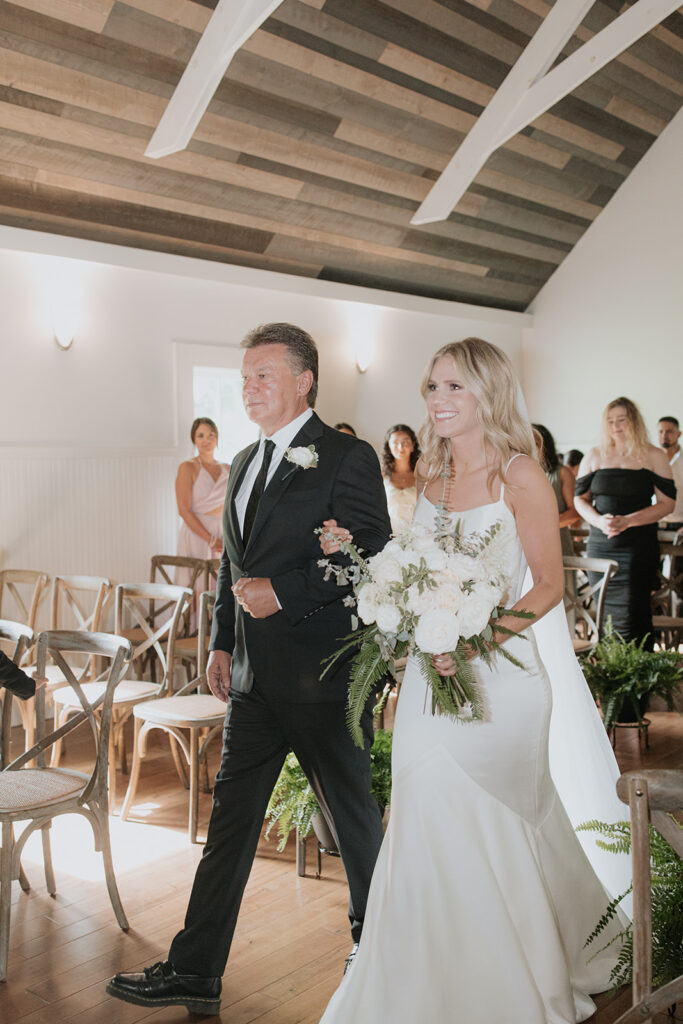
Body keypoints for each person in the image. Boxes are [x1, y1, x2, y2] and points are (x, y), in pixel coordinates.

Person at [318, 338, 628, 1024]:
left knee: (493, 815)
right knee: (424, 810)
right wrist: (398, 626)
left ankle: (520, 970)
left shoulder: (520, 475)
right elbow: (411, 577)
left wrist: (477, 640)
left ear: (486, 394)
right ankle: (425, 972)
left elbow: (547, 585)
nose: (438, 399)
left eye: (453, 386)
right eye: (431, 387)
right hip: (430, 680)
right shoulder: (429, 482)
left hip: (506, 680)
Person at [107, 323, 391, 1015]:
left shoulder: (346, 456)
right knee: (229, 823)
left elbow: (373, 551)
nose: (249, 388)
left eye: (264, 375)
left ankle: (381, 947)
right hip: (253, 683)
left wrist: (288, 593)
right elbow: (235, 565)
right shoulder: (241, 461)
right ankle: (195, 967)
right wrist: (220, 642)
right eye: (244, 377)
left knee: (354, 824)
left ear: (304, 381)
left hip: (322, 679)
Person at [574, 398, 675, 647]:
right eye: (610, 421)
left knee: (632, 611)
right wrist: (598, 520)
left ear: (634, 421)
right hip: (601, 544)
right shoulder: (595, 455)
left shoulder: (653, 455)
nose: (615, 426)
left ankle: (637, 677)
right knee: (604, 612)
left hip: (637, 546)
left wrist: (629, 521)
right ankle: (609, 677)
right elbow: (580, 499)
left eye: (621, 419)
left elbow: (667, 503)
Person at [175, 417, 230, 563]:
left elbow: (234, 506)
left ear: (217, 438)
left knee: (220, 581)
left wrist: (228, 538)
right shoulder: (187, 467)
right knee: (197, 582)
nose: (206, 440)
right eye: (200, 435)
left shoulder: (228, 469)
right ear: (194, 439)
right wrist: (210, 539)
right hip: (196, 534)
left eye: (211, 435)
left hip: (222, 533)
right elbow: (183, 510)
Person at [533, 422, 580, 552]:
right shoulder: (519, 475)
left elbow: (574, 513)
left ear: (545, 445)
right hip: (528, 544)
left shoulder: (562, 473)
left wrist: (545, 526)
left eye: (535, 444)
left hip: (557, 542)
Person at [381, 423, 420, 535]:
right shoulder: (382, 476)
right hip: (389, 535)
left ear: (412, 445)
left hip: (416, 535)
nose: (400, 447)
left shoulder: (421, 476)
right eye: (395, 442)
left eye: (405, 442)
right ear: (388, 446)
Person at [657, 416, 683, 530]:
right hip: (653, 526)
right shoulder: (648, 461)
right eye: (661, 431)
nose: (664, 436)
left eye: (669, 431)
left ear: (678, 434)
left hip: (680, 526)